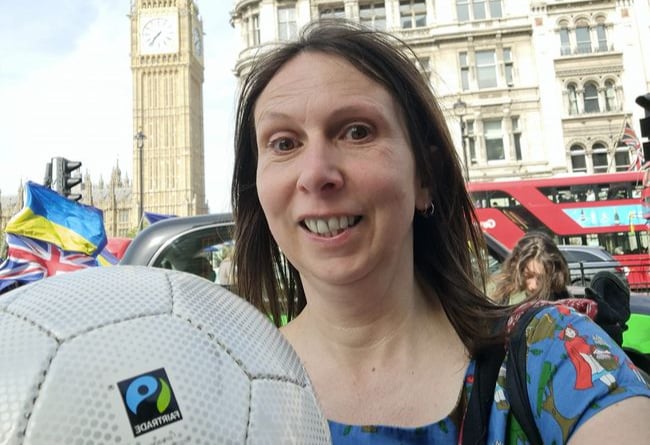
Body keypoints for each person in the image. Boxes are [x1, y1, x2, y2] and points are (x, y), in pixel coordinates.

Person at [231, 19, 649, 444]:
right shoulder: (217, 383)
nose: (316, 174)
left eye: (357, 131)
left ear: (424, 175)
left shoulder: (553, 351)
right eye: (284, 143)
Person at [490, 231, 571, 305]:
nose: (534, 286)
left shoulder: (563, 298)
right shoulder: (498, 296)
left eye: (542, 278)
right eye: (528, 276)